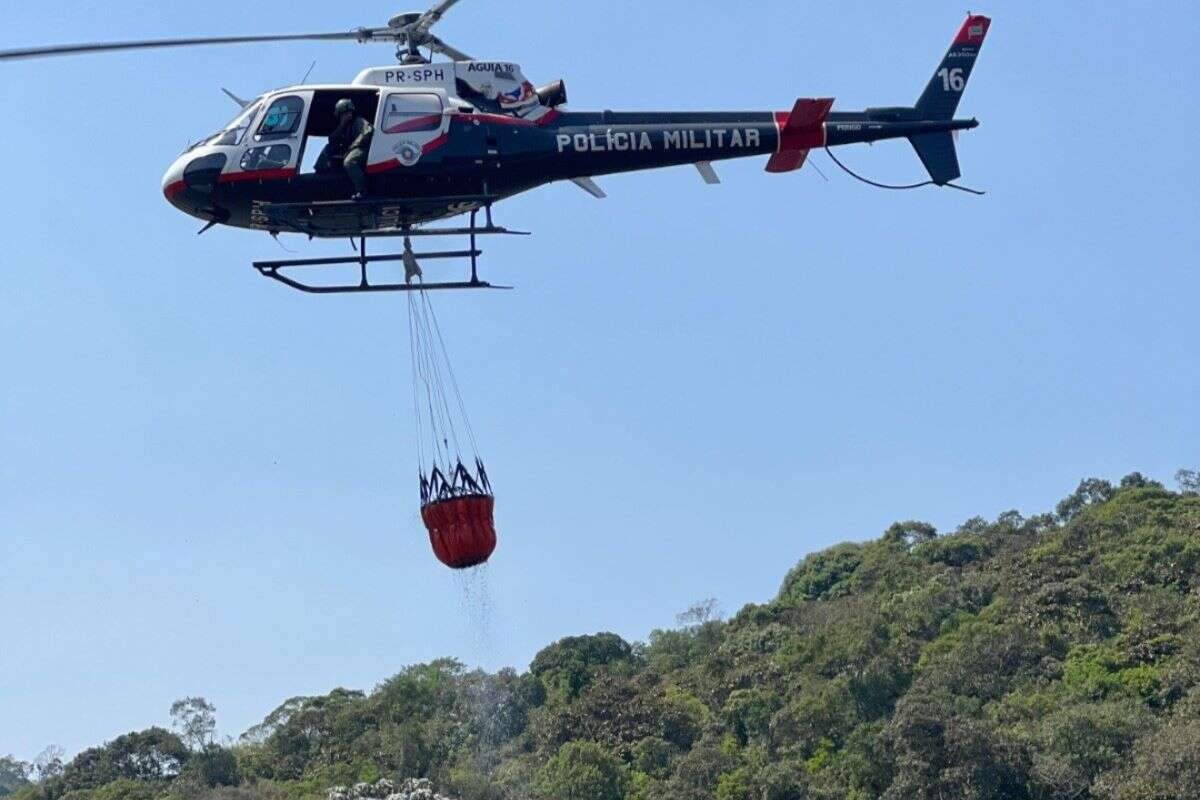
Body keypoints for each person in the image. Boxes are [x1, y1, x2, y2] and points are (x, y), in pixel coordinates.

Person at [316, 98, 374, 200]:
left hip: (362, 149)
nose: (348, 115)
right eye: (344, 113)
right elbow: (332, 139)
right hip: (350, 150)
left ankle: (361, 191)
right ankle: (318, 175)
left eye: (349, 112)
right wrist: (342, 125)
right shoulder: (343, 127)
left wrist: (353, 146)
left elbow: (367, 132)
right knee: (328, 148)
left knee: (350, 162)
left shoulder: (359, 121)